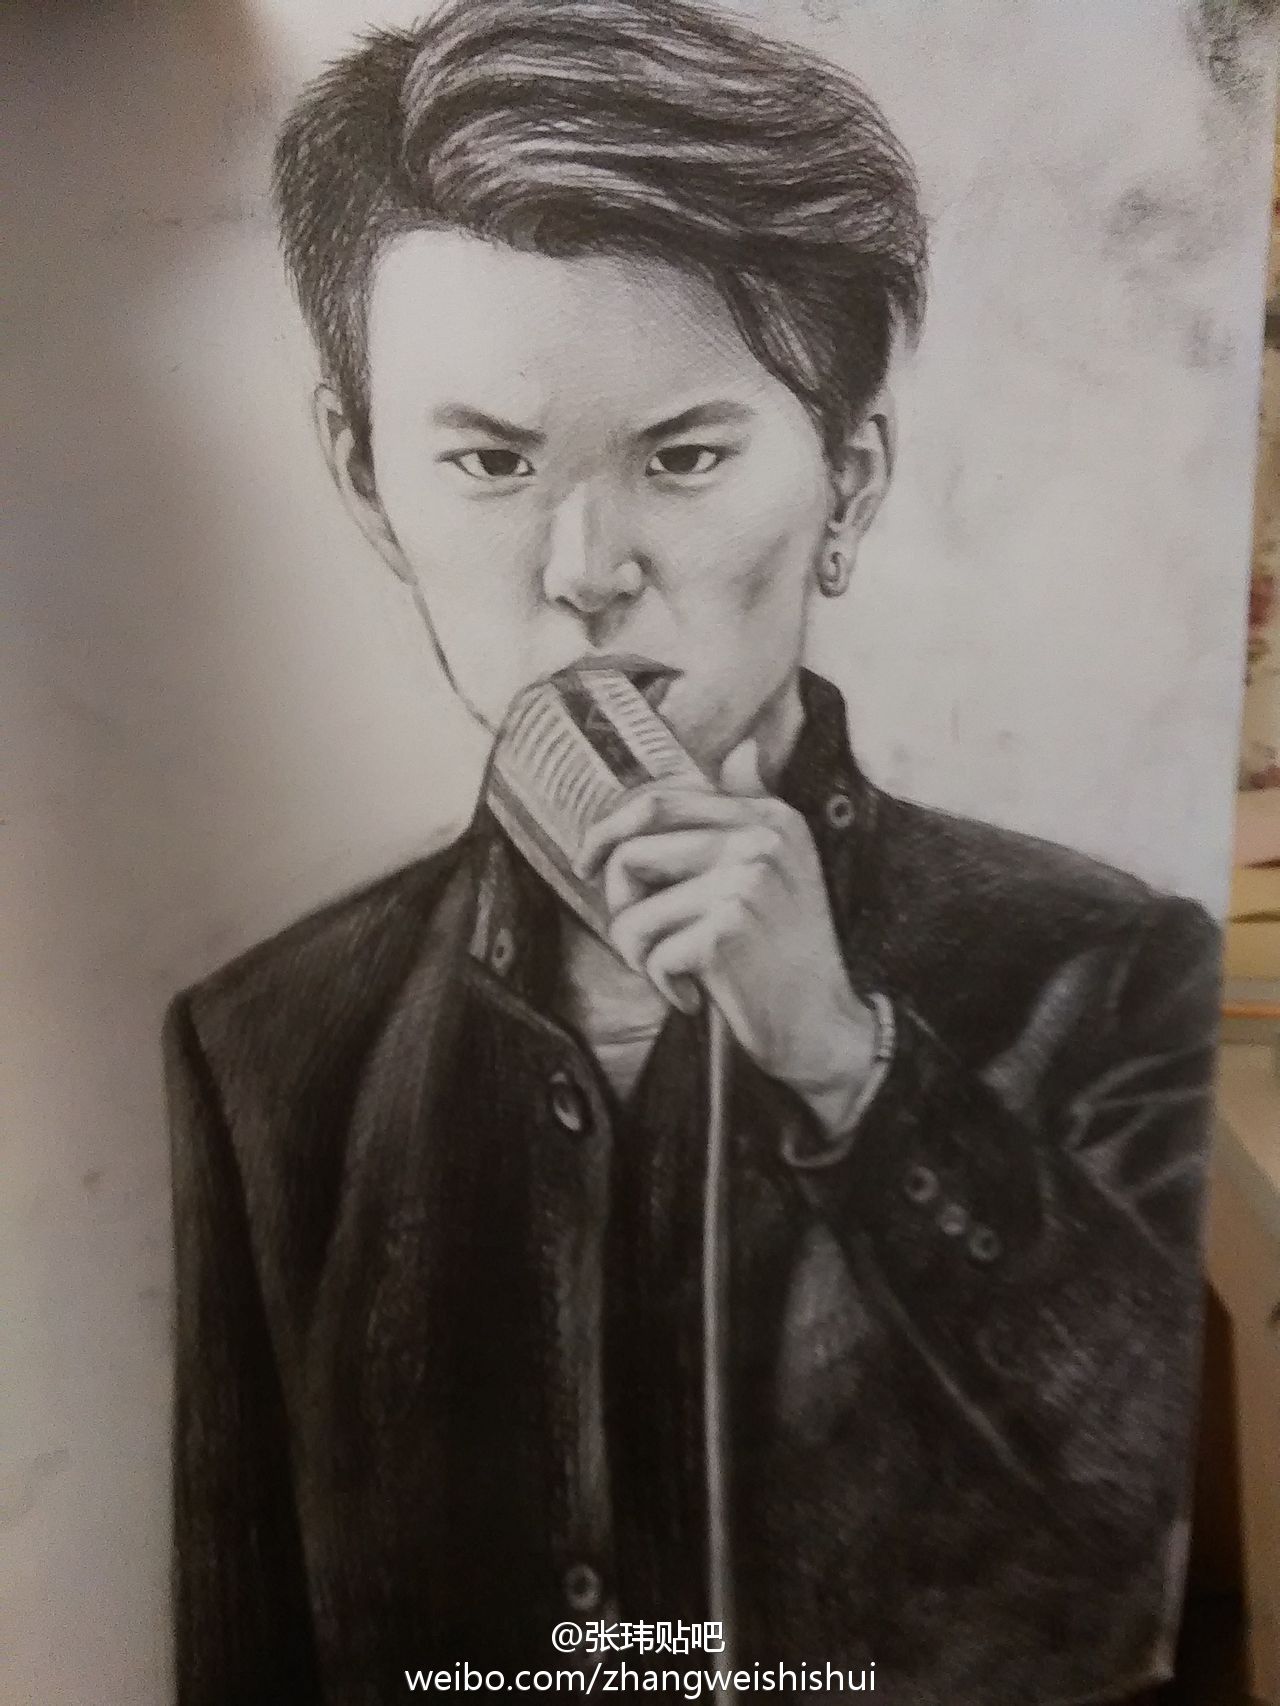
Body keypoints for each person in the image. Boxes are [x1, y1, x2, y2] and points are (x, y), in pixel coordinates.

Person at [165, 2, 1222, 1702]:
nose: (586, 567)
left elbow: (1150, 1530)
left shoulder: (1101, 969)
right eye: (490, 460)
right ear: (364, 477)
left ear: (849, 481)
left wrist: (853, 1069)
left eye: (684, 456)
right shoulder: (269, 1049)